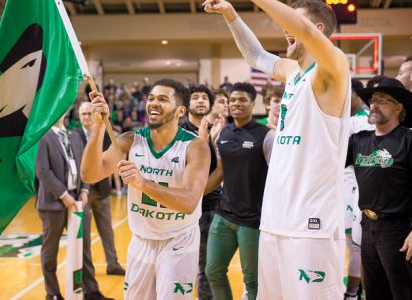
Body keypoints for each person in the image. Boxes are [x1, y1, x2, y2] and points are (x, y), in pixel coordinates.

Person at [204, 0, 350, 299]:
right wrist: (231, 13)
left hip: (311, 226)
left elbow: (307, 32)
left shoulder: (334, 68)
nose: (285, 30)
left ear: (319, 31)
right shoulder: (292, 71)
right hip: (275, 220)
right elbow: (256, 56)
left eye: (293, 21)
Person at [81, 79, 211, 299]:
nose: (153, 103)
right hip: (141, 240)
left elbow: (189, 202)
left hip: (178, 240)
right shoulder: (131, 140)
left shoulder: (195, 146)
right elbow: (90, 174)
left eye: (162, 99)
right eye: (150, 98)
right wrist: (97, 129)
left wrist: (142, 183)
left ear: (181, 110)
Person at [204, 82, 274, 300]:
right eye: (232, 100)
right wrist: (196, 193)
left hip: (252, 220)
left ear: (253, 104)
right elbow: (221, 171)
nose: (236, 103)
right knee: (213, 272)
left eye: (242, 99)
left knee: (252, 281)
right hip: (224, 215)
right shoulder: (223, 133)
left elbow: (277, 178)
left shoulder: (267, 136)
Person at [346, 76, 412, 300]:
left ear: (398, 107)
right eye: (373, 99)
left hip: (399, 230)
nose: (374, 104)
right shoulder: (358, 140)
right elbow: (325, 157)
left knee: (403, 292)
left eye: (383, 99)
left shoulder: (408, 139)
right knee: (374, 292)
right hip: (367, 225)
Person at [35, 115, 111, 300]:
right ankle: (52, 293)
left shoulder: (74, 136)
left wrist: (85, 190)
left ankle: (91, 291)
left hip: (77, 202)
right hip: (54, 203)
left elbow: (86, 166)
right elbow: (42, 170)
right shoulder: (42, 137)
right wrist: (63, 194)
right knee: (50, 251)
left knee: (84, 248)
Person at [75, 102, 126, 276]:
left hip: (102, 189)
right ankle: (86, 269)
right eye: (83, 114)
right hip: (83, 192)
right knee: (85, 234)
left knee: (107, 230)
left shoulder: (104, 133)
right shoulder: (75, 136)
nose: (87, 117)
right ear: (79, 117)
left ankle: (113, 264)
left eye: (90, 113)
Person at [181, 84, 219, 300]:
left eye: (204, 97)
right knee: (188, 264)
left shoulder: (219, 131)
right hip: (187, 209)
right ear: (187, 104)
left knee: (209, 266)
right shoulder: (178, 133)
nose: (200, 100)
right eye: (195, 97)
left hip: (215, 206)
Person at [343, 79, 375, 300]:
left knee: (353, 244)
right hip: (344, 185)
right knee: (352, 244)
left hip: (352, 187)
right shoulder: (350, 119)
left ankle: (352, 293)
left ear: (354, 94)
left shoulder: (361, 121)